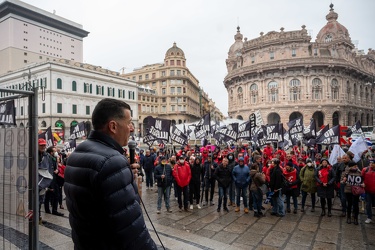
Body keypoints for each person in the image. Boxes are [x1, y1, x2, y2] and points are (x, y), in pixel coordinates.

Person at [64, 98, 156, 249]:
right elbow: (131, 231)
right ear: (113, 126)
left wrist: (126, 177)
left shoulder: (76, 154)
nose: (132, 128)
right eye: (129, 123)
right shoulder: (112, 162)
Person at [44, 146, 64, 216]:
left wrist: (57, 170)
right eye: (55, 151)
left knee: (52, 195)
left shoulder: (54, 158)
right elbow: (48, 169)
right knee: (53, 195)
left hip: (54, 179)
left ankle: (50, 210)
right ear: (51, 152)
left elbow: (56, 168)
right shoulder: (48, 158)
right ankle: (52, 210)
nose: (56, 152)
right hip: (51, 180)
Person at [362, 159, 375, 224]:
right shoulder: (365, 170)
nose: (371, 164)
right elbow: (361, 178)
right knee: (368, 204)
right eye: (370, 163)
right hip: (367, 190)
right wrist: (362, 183)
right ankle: (369, 217)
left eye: (373, 163)